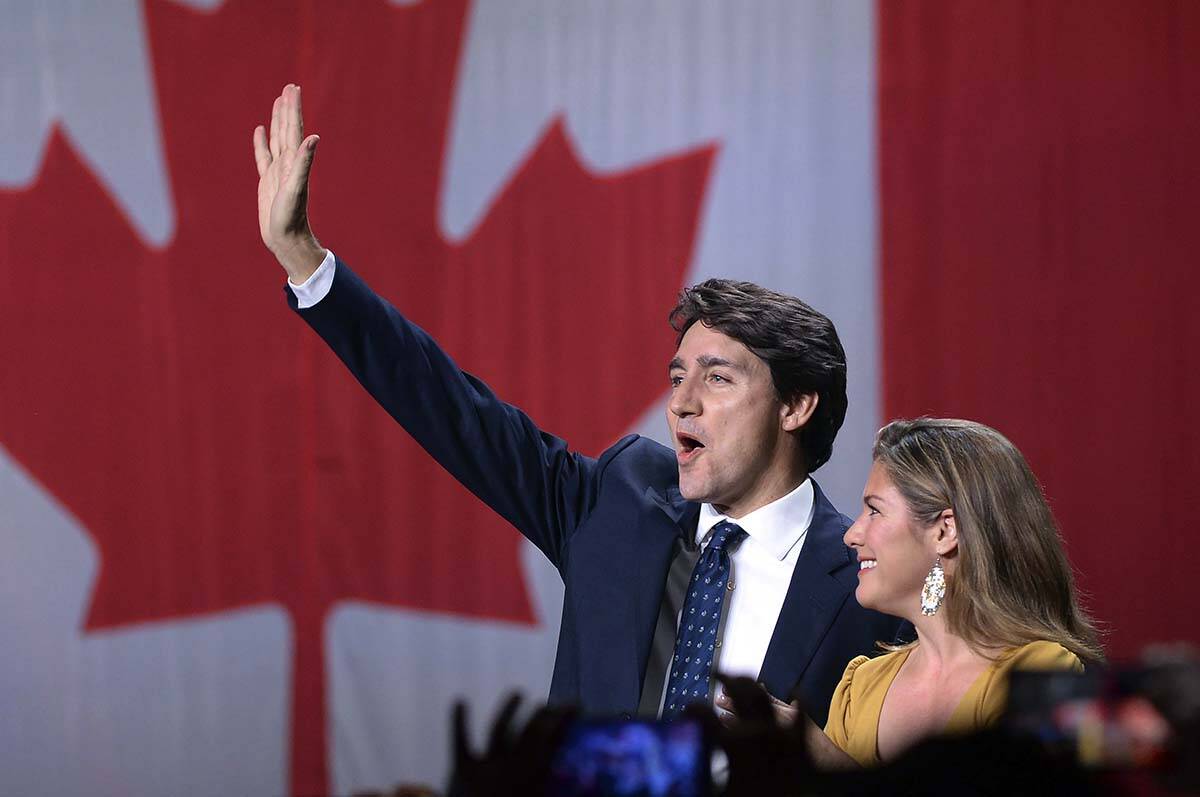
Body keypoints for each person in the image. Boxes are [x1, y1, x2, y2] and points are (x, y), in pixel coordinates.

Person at [251, 84, 908, 726]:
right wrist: (304, 260)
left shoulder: (868, 582)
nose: (680, 402)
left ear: (795, 405)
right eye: (677, 375)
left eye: (716, 379)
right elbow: (450, 409)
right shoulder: (616, 500)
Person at [792, 418, 1104, 768]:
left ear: (945, 531)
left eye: (875, 511)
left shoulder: (1045, 673)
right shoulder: (861, 685)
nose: (852, 535)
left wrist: (833, 765)